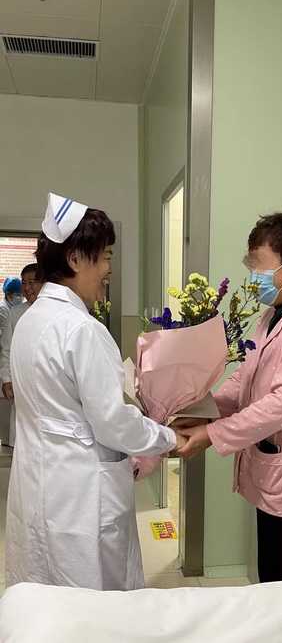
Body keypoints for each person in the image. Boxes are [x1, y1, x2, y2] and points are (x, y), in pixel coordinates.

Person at [5, 192, 186, 591]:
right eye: (105, 256)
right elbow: (112, 421)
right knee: (93, 598)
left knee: (46, 591)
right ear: (75, 259)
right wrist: (168, 438)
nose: (109, 269)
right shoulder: (82, 329)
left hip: (39, 482)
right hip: (81, 494)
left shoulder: (31, 320)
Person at [174, 212, 282, 583]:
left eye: (259, 265)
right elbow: (245, 379)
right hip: (275, 475)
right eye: (250, 264)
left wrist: (213, 434)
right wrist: (205, 413)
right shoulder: (272, 315)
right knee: (272, 578)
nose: (253, 275)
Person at [0, 264, 43, 446]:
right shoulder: (16, 312)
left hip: (46, 382)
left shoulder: (54, 311)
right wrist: (6, 378)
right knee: (22, 438)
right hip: (22, 382)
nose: (26, 288)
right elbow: (6, 348)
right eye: (24, 282)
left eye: (32, 282)